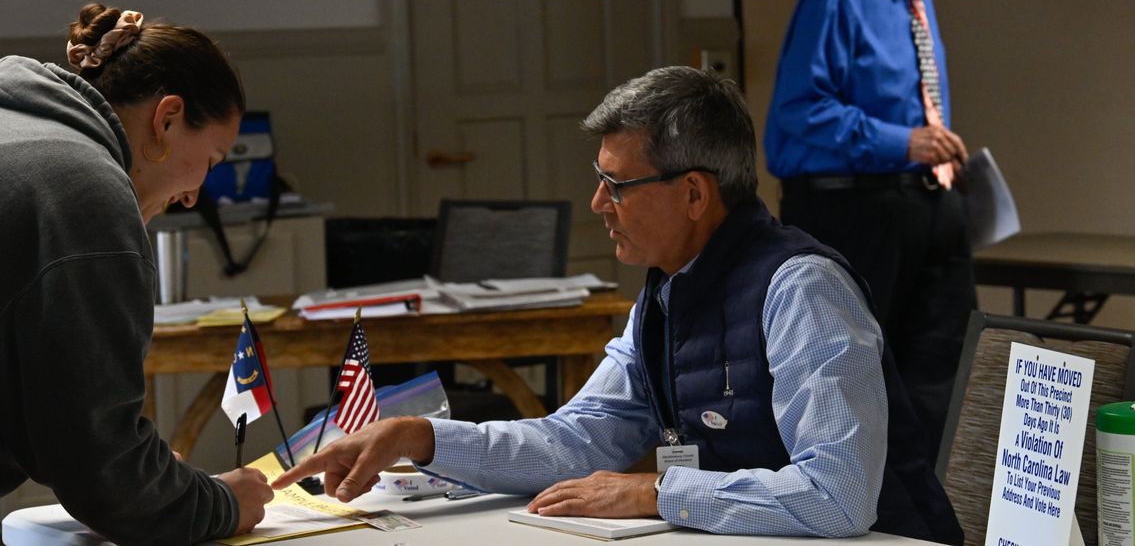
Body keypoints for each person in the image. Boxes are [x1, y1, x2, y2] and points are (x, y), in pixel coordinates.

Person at [275, 67, 961, 543]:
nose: (599, 205)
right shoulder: (666, 290)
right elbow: (578, 440)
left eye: (617, 185)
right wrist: (419, 438)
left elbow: (838, 496)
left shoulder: (800, 290)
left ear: (694, 194)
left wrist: (654, 494)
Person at [0, 3, 274, 544]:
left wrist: (143, 471)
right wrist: (221, 503)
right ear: (167, 117)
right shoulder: (82, 189)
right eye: (212, 160)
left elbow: (56, 423)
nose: (195, 194)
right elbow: (101, 471)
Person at [763, 0, 975, 461]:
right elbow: (798, 115)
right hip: (857, 207)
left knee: (943, 370)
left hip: (928, 202)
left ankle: (937, 509)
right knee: (859, 378)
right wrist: (902, 142)